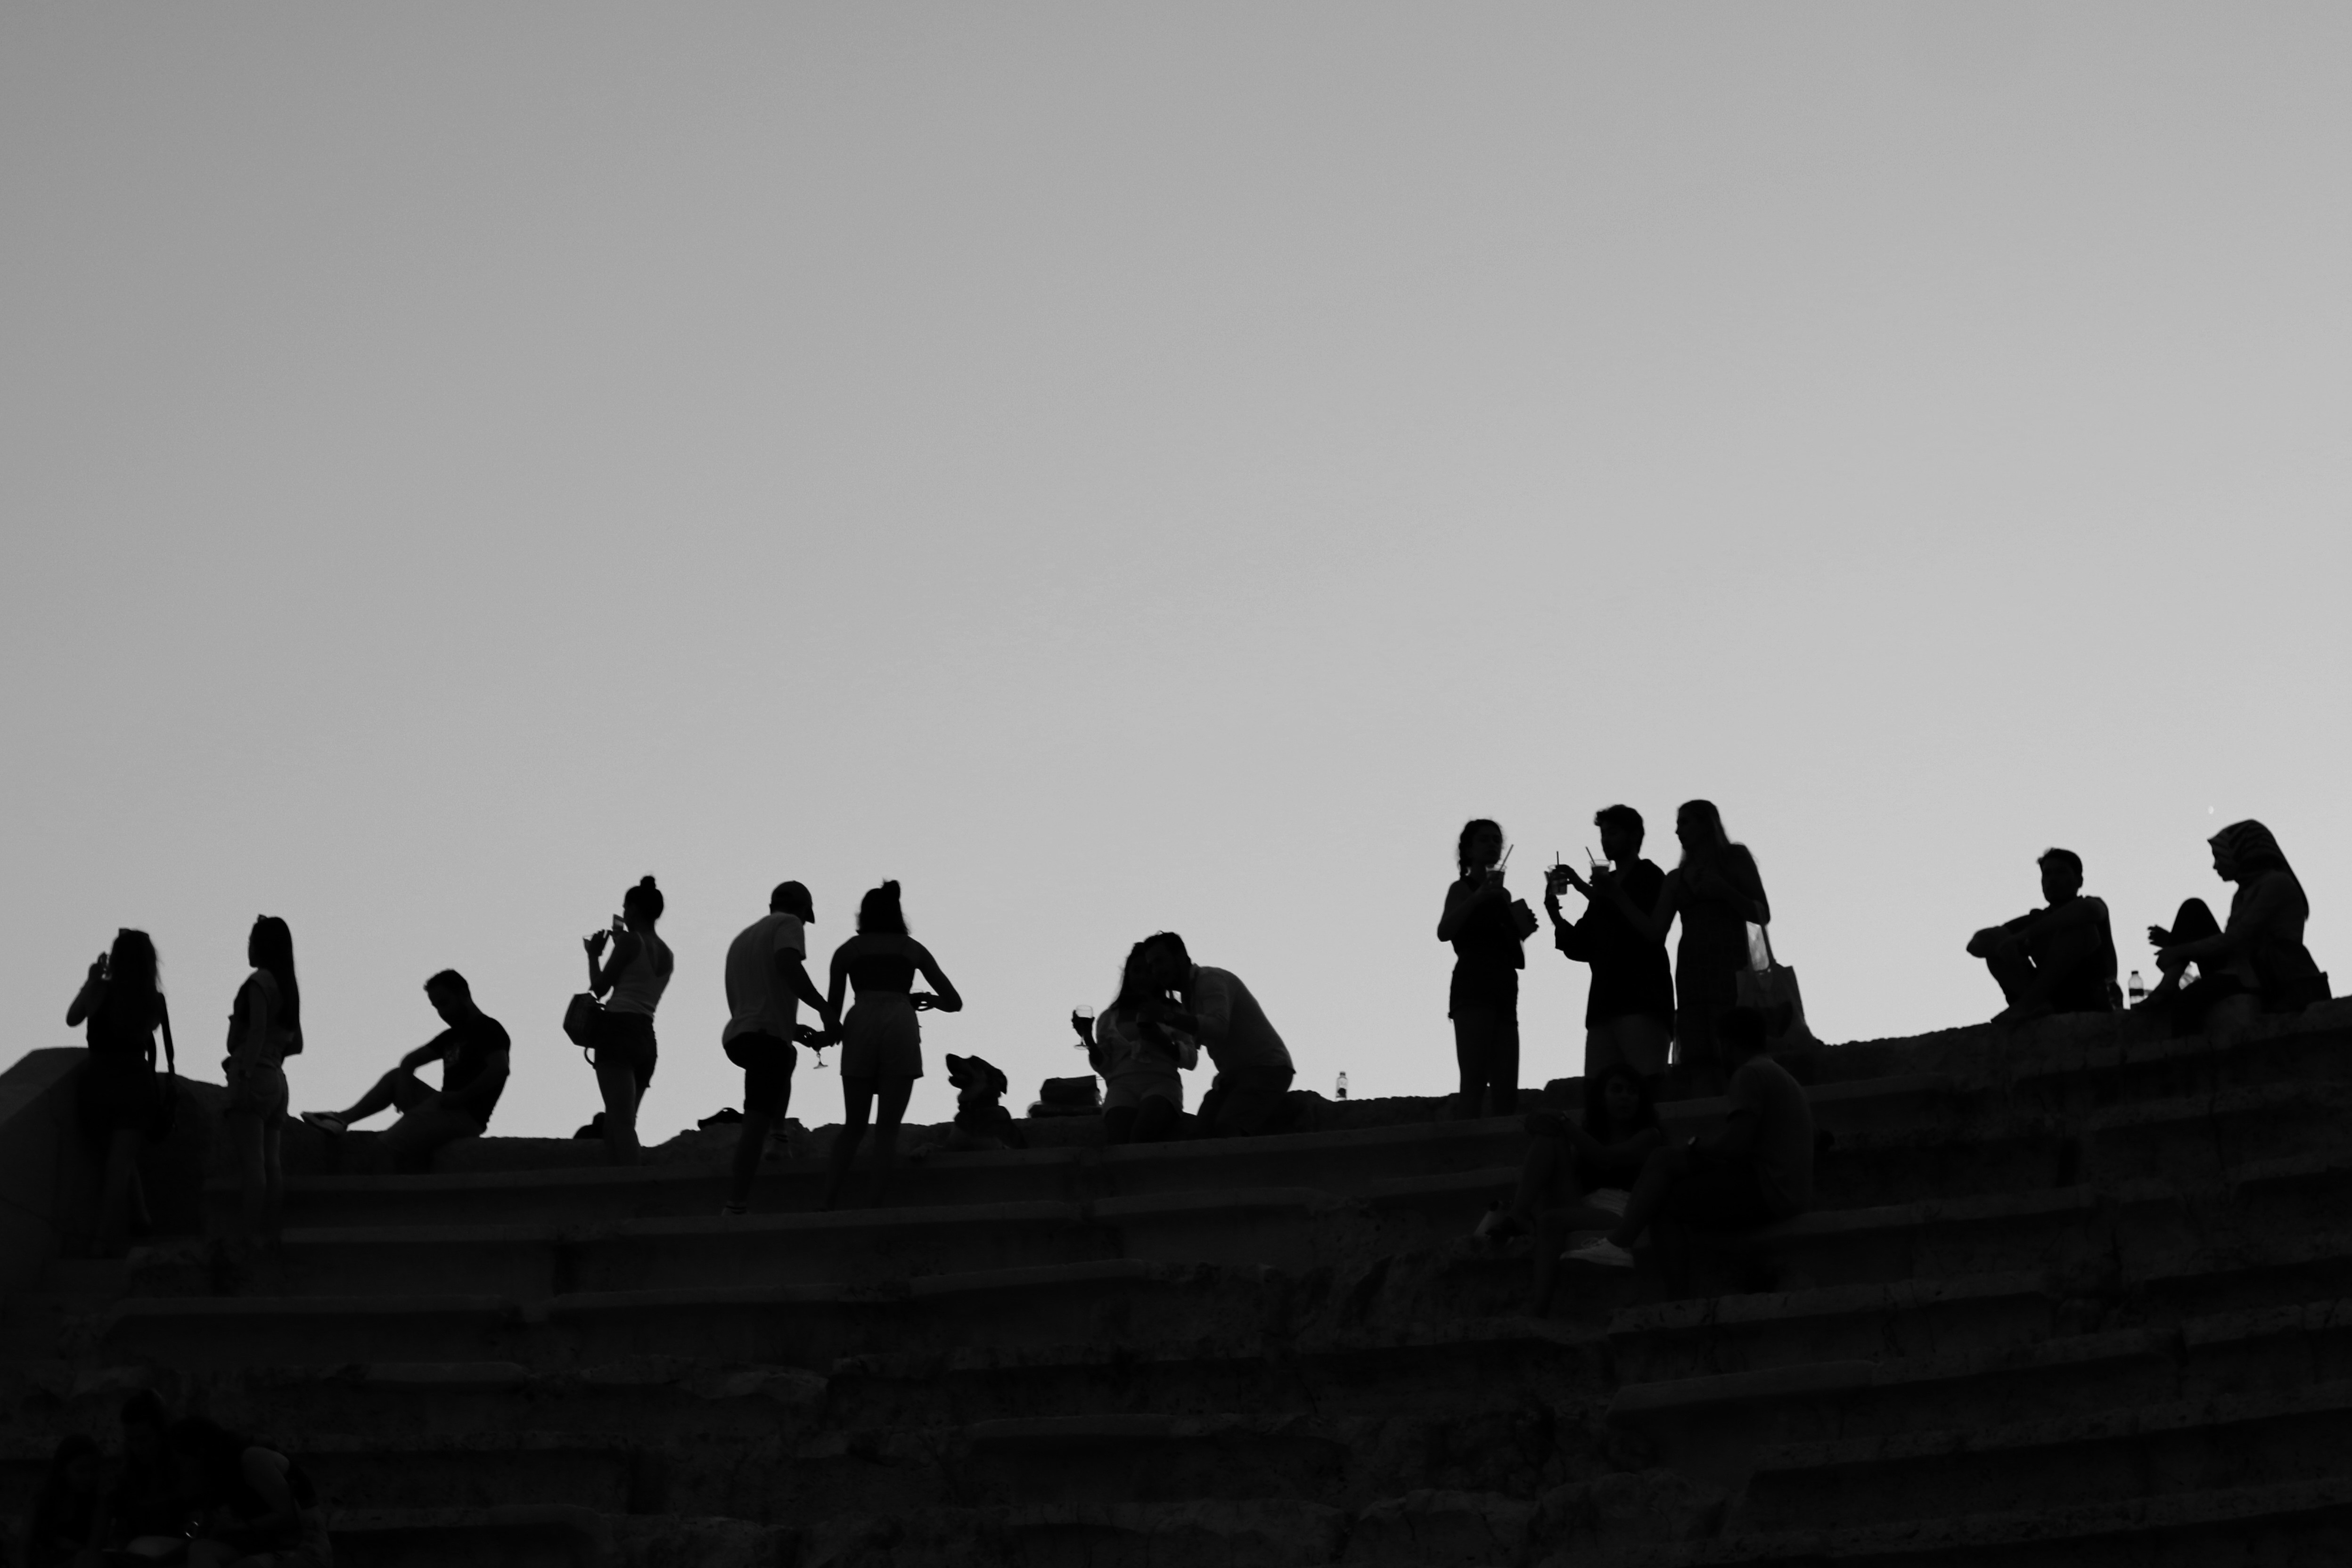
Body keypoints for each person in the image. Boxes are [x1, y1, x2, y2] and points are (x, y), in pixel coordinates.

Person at [1565, 1007, 1813, 1288]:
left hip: (1771, 1191)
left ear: (1726, 1043)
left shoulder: (1750, 1074)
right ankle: (1619, 1243)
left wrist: (1696, 1149)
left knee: (1663, 1199)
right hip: (1785, 1189)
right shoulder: (1776, 1073)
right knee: (1666, 1160)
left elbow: (1736, 1145)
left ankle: (1663, 1285)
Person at [1595, 800, 1769, 1095]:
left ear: (1707, 824)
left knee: (1735, 1051)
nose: (1678, 831)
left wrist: (1725, 891)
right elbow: (1654, 932)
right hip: (1691, 973)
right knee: (1699, 1057)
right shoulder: (1677, 878)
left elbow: (1762, 913)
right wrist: (1617, 896)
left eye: (1685, 822)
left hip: (1731, 969)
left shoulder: (1735, 859)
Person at [820, 882, 962, 1209]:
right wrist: (928, 1001)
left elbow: (833, 1011)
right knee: (887, 1129)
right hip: (900, 1021)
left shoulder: (847, 951)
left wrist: (825, 1035)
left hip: (861, 1022)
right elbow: (954, 1002)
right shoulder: (911, 949)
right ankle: (874, 1203)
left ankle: (828, 1200)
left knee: (853, 1126)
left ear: (864, 915)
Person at [1486, 1064, 1667, 1314]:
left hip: (1620, 1212)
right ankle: (1518, 1214)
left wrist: (1561, 1120)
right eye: (1617, 1090)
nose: (1625, 1096)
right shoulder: (1591, 1135)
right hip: (1586, 1205)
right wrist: (1542, 1123)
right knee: (1550, 1137)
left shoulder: (1649, 1136)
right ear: (1601, 1097)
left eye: (1632, 1091)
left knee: (1552, 1220)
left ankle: (1540, 1305)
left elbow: (1605, 1158)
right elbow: (1560, 1170)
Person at [298, 971, 510, 1172]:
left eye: (445, 1003)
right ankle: (342, 1119)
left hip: (465, 1116)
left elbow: (500, 1070)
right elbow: (410, 1061)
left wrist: (461, 1097)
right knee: (395, 1077)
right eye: (436, 1007)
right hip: (443, 1106)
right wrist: (407, 1091)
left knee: (382, 1150)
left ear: (463, 994)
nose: (442, 1013)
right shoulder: (451, 1036)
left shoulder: (488, 1028)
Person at [2146, 819, 2329, 1035]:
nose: (2215, 866)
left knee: (2187, 1002)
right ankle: (2169, 984)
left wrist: (2180, 950)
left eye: (2219, 857)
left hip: (2261, 975)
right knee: (2193, 909)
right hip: (2239, 967)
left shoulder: (2276, 884)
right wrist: (2176, 942)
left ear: (2241, 852)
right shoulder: (2243, 892)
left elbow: (2236, 939)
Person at [719, 881, 835, 1217]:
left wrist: (793, 1030)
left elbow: (757, 1001)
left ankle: (780, 1140)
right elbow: (787, 965)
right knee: (755, 1122)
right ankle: (735, 1204)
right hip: (764, 1040)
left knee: (788, 1055)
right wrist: (823, 1007)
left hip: (741, 1036)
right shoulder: (789, 924)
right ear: (802, 909)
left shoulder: (744, 938)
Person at [1546, 806, 1676, 1088]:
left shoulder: (1649, 875)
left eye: (1613, 833)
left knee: (1647, 1088)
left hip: (1643, 997)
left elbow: (1647, 932)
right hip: (1605, 1002)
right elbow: (1583, 944)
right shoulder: (1609, 887)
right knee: (1599, 1092)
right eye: (1603, 834)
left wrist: (1598, 891)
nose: (1605, 841)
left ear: (1635, 836)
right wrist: (1555, 915)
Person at [66, 929, 175, 1254]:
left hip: (98, 1081)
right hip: (134, 1083)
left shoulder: (100, 990)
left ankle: (114, 1234)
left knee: (113, 1160)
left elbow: (73, 1019)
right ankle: (120, 1228)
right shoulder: (154, 1000)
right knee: (120, 1161)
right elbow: (147, 1030)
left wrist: (91, 979)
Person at [1140, 932, 1295, 1137]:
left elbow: (1218, 1027)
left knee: (1227, 1128)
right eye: (1151, 966)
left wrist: (1167, 1017)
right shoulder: (1189, 998)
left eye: (1160, 961)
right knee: (1199, 1136)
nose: (1156, 971)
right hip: (1233, 1078)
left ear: (1180, 957)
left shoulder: (1210, 980)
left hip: (1267, 1068)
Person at [1436, 820, 1538, 1119]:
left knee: (1507, 1087)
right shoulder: (1461, 888)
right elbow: (1445, 931)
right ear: (1469, 850)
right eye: (1485, 840)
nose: (1493, 845)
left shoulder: (1505, 898)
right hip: (1473, 986)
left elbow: (1514, 954)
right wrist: (1478, 897)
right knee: (1474, 1080)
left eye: (1497, 840)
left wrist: (1522, 931)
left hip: (1504, 987)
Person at [1965, 849, 2119, 1024]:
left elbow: (2091, 911)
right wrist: (2007, 946)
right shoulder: (2037, 918)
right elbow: (1975, 946)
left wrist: (2029, 933)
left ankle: (2030, 1004)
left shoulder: (2091, 904)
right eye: (2047, 874)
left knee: (2078, 931)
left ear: (2079, 881)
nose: (2052, 880)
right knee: (1998, 944)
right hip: (2053, 1001)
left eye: (2061, 872)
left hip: (2092, 1000)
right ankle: (2036, 1004)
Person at [582, 876, 673, 1167]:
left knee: (620, 1124)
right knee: (620, 1122)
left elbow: (599, 987)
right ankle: (615, 1188)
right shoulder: (667, 953)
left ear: (633, 909)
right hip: (646, 1036)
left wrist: (594, 955)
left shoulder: (630, 941)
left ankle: (634, 1187)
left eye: (625, 907)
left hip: (618, 1030)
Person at [224, 916, 302, 1246]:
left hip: (253, 1071)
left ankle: (246, 1237)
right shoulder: (287, 987)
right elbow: (297, 1044)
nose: (248, 947)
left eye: (252, 940)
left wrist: (244, 1074)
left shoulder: (259, 983)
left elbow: (255, 1030)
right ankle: (270, 1235)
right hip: (278, 1081)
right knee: (272, 1163)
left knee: (252, 1163)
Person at [168, 1418, 332, 1568]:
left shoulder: (253, 1459)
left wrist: (234, 1527)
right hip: (266, 1547)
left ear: (199, 1453)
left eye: (181, 1460)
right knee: (201, 1549)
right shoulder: (221, 1479)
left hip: (304, 1548)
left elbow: (289, 1516)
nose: (181, 1469)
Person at [1075, 941, 1195, 1145]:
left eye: (1148, 971)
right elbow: (1105, 1065)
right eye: (1137, 971)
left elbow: (1191, 1059)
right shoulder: (1109, 1017)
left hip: (1162, 1082)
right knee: (1119, 1142)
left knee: (1142, 1135)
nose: (1142, 977)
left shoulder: (1174, 1011)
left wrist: (1160, 1038)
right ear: (1128, 975)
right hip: (1121, 1085)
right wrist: (1087, 1037)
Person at [111, 1389, 193, 1559]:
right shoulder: (128, 1476)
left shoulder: (185, 1468)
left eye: (144, 1439)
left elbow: (199, 1531)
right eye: (131, 1440)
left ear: (162, 1434)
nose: (137, 1449)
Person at [20, 1434, 103, 1567]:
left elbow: (92, 1553)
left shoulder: (98, 1506)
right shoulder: (41, 1503)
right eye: (80, 1471)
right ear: (63, 1470)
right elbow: (23, 1550)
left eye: (93, 1470)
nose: (88, 1477)